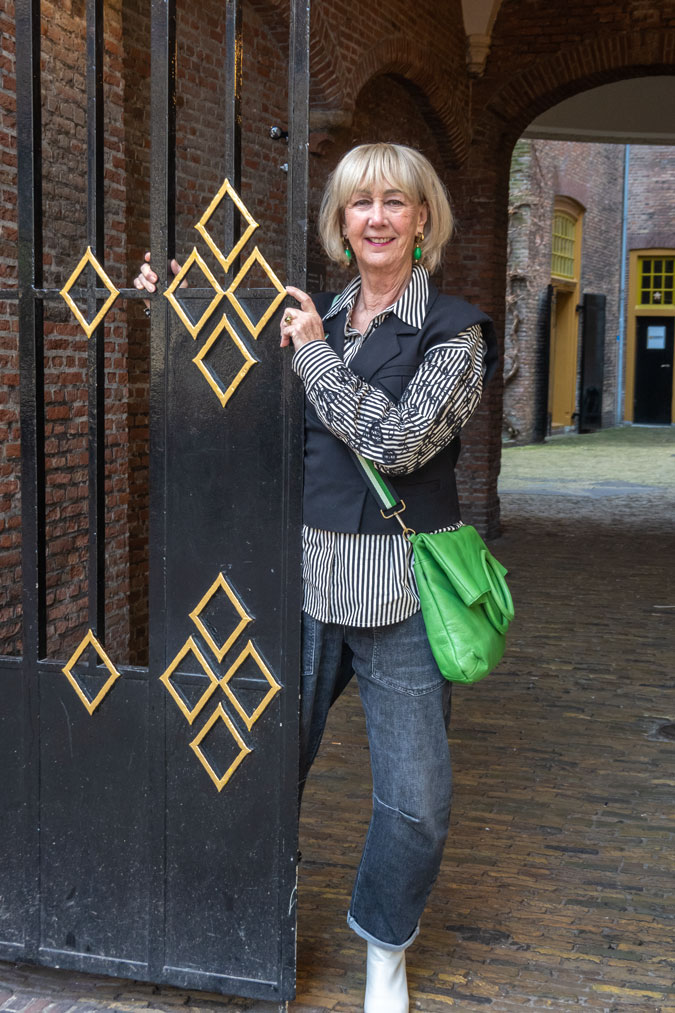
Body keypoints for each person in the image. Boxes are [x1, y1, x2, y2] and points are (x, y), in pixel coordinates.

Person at [135, 142, 497, 1013]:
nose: (374, 217)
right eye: (357, 203)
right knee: (253, 767)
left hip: (402, 591)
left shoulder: (456, 331)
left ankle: (384, 949)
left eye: (394, 203)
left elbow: (403, 442)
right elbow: (233, 400)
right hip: (300, 585)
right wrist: (176, 304)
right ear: (340, 224)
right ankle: (249, 922)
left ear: (422, 222)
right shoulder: (311, 316)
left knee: (415, 803)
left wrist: (314, 357)